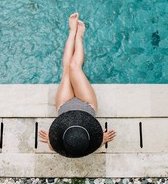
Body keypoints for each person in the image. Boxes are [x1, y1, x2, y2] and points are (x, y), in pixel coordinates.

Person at [39, 13, 116, 158]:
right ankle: (79, 37)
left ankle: (72, 32)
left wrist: (50, 140)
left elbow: (51, 146)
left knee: (67, 67)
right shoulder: (88, 143)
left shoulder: (61, 145)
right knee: (75, 67)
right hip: (86, 103)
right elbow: (97, 143)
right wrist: (102, 139)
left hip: (64, 104)